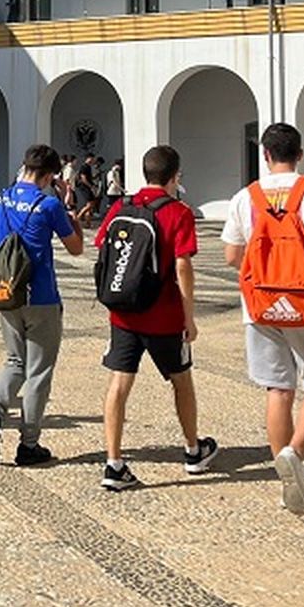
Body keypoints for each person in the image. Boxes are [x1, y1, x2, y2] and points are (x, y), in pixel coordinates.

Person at [222, 123, 304, 517]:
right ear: (300, 154)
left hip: (260, 305)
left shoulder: (246, 197)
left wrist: (265, 278)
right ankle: (296, 452)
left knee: (278, 389)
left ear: (265, 155)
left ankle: (287, 485)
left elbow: (231, 255)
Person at [95, 145, 218, 490]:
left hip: (123, 313)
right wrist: (189, 316)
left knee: (119, 383)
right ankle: (193, 450)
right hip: (163, 316)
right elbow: (183, 265)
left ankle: (114, 463)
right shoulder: (178, 212)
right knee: (181, 379)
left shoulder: (123, 205)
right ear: (175, 176)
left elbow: (103, 246)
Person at [0, 144, 84, 466]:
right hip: (41, 298)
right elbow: (76, 248)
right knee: (38, 371)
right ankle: (29, 444)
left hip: (6, 293)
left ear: (24, 167)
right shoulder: (48, 205)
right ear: (51, 175)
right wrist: (70, 210)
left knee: (14, 360)